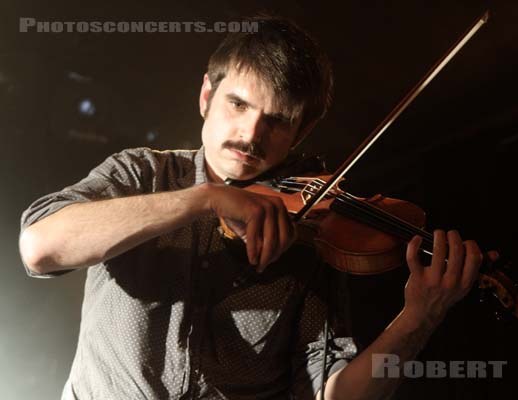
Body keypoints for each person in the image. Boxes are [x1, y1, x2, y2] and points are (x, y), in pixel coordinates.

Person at [18, 15, 491, 400]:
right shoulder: (142, 174)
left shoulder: (311, 238)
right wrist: (204, 199)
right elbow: (40, 247)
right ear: (207, 96)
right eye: (238, 105)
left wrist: (419, 316)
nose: (251, 135)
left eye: (277, 121)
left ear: (300, 134)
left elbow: (336, 395)